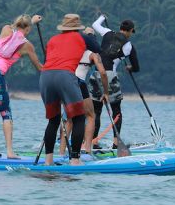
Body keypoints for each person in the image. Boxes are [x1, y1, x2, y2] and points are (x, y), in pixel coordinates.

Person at [0, 14, 43, 158]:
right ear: (28, 28)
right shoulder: (27, 46)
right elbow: (40, 68)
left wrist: (31, 22)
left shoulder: (6, 28)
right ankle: (10, 152)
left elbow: (17, 30)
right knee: (6, 113)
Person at [40, 14, 100, 166]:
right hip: (65, 76)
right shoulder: (81, 37)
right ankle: (75, 159)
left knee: (53, 120)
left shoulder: (53, 39)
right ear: (77, 27)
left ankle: (48, 161)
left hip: (45, 76)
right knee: (79, 117)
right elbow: (97, 48)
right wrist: (90, 35)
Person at [89, 15, 139, 148]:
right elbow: (136, 67)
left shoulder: (107, 32)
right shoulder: (128, 46)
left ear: (120, 28)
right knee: (116, 111)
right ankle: (116, 144)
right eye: (131, 32)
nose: (130, 35)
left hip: (96, 75)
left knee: (96, 112)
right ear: (129, 31)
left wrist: (102, 17)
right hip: (110, 76)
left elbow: (95, 24)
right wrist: (130, 68)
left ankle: (93, 142)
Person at [73, 27, 110, 154]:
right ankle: (86, 149)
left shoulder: (72, 50)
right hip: (79, 83)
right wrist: (106, 92)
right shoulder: (93, 54)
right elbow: (103, 73)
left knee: (69, 119)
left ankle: (62, 152)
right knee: (90, 116)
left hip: (66, 82)